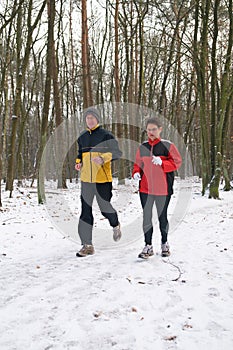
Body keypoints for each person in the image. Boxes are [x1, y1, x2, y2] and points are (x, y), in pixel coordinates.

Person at [75, 107, 122, 257]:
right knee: (85, 211)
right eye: (87, 118)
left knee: (105, 208)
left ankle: (115, 224)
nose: (90, 120)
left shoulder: (106, 135)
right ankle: (87, 245)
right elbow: (79, 153)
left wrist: (103, 158)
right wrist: (78, 162)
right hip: (86, 180)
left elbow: (117, 153)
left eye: (92, 118)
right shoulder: (82, 137)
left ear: (97, 119)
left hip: (102, 180)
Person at [132, 117, 182, 259]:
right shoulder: (143, 147)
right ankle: (148, 246)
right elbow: (137, 164)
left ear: (160, 129)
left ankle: (164, 243)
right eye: (149, 130)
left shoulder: (168, 145)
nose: (151, 132)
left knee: (162, 217)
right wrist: (136, 173)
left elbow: (177, 162)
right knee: (147, 217)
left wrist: (163, 162)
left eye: (154, 129)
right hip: (145, 189)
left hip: (163, 189)